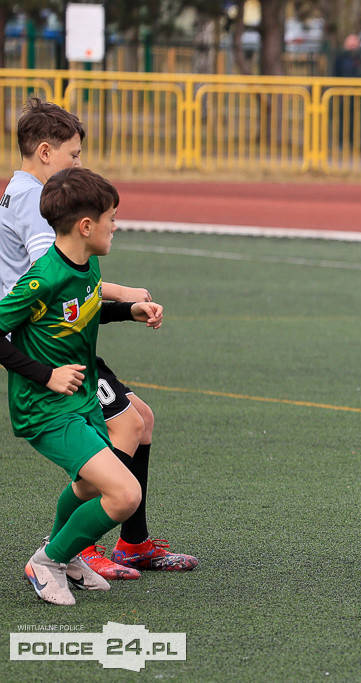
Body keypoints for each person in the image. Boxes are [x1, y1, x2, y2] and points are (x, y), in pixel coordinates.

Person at [0, 98, 197, 580]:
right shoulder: (34, 198)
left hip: (65, 331)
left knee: (140, 421)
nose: (78, 164)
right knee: (128, 426)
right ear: (45, 152)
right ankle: (74, 547)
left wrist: (125, 308)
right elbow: (63, 274)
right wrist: (124, 292)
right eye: (74, 155)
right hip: (48, 346)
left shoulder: (18, 189)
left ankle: (131, 541)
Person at [0, 167, 165, 604]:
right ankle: (48, 561)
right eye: (111, 217)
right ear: (86, 226)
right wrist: (46, 375)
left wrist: (127, 310)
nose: (116, 225)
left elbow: (85, 310)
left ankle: (66, 556)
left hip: (80, 401)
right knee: (125, 493)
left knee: (90, 486)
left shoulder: (86, 264)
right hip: (45, 408)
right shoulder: (43, 278)